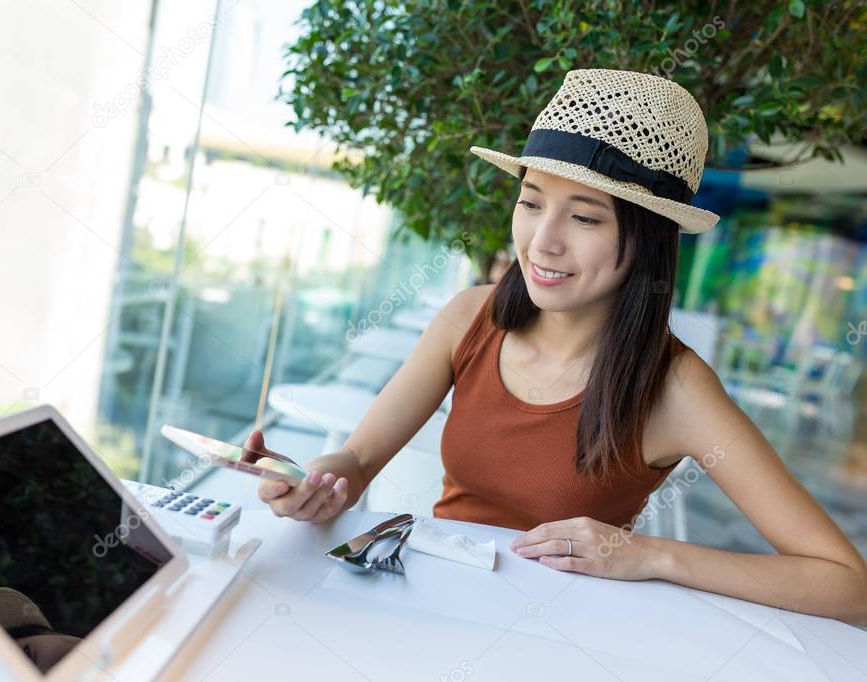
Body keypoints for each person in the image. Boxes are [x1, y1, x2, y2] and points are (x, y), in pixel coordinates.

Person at [245, 69, 867, 625]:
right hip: (427, 610)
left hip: (560, 637)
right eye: (531, 202)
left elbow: (847, 587)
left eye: (586, 217)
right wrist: (315, 483)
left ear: (646, 240)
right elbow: (357, 459)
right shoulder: (469, 317)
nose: (543, 242)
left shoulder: (674, 388)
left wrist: (648, 554)